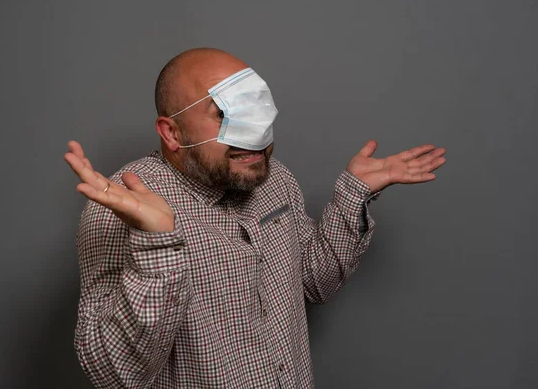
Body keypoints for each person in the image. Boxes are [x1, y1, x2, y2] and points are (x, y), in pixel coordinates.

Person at [64, 48, 446, 388]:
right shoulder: (121, 207)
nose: (257, 136)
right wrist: (159, 245)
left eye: (258, 111)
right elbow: (115, 374)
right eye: (226, 114)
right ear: (172, 132)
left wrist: (354, 195)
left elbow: (314, 284)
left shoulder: (275, 179)